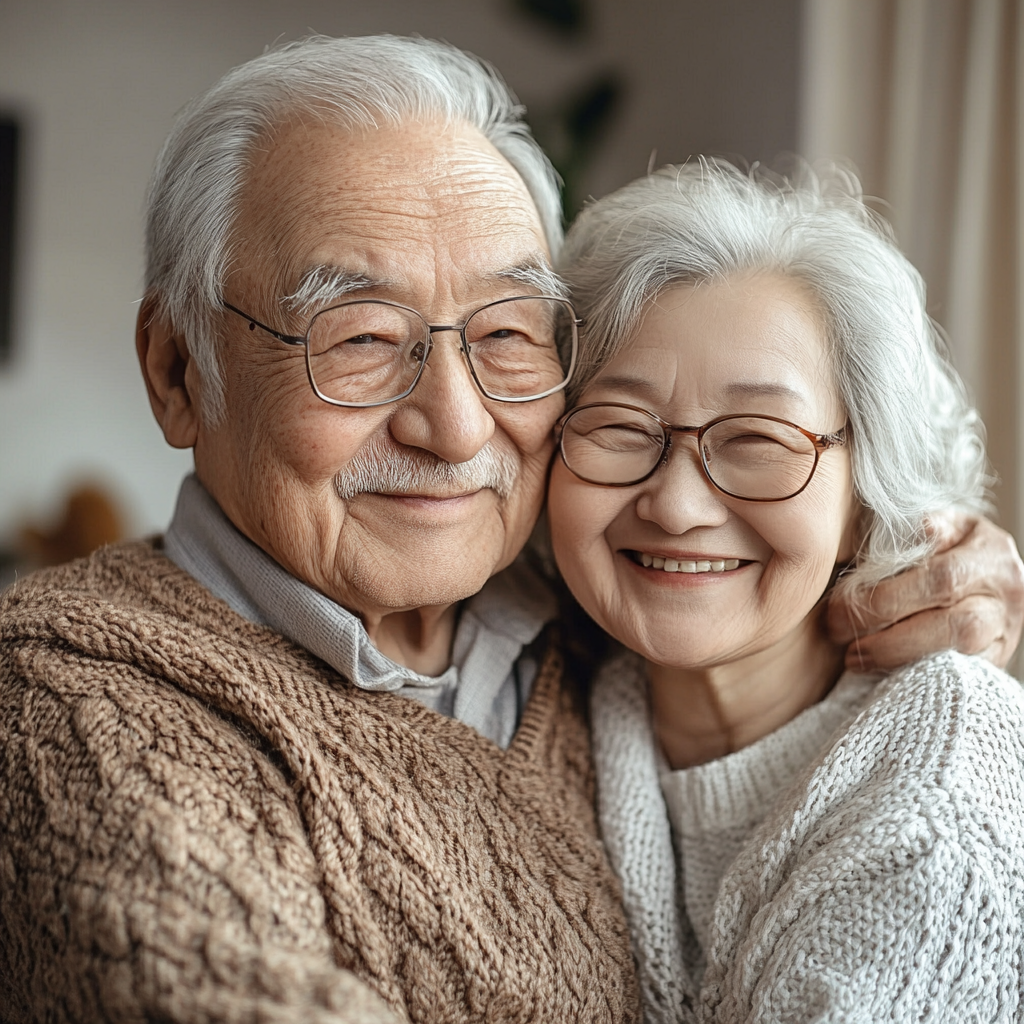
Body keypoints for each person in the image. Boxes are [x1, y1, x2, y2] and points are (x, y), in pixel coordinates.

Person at [0, 35, 1020, 1024]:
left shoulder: (586, 625)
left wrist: (920, 574)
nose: (454, 425)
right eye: (357, 338)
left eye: (504, 335)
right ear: (177, 371)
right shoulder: (67, 705)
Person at [547, 160, 1024, 1022]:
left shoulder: (935, 781)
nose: (677, 506)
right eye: (619, 425)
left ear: (865, 495)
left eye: (759, 440)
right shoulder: (553, 696)